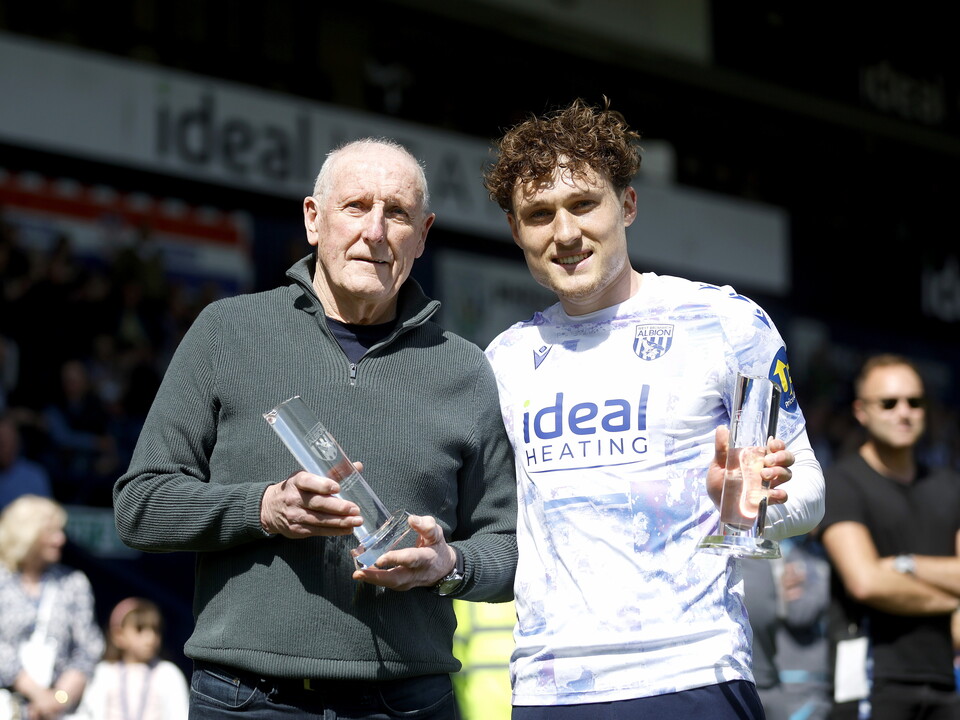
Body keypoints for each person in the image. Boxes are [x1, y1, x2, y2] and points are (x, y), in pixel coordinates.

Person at [113, 138, 518, 719]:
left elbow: (509, 549)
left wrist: (449, 566)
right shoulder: (228, 332)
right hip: (246, 700)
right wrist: (265, 509)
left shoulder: (465, 368)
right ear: (313, 218)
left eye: (397, 213)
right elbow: (140, 505)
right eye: (356, 206)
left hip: (408, 701)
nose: (376, 231)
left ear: (423, 235)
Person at [481, 98, 825, 718]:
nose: (564, 234)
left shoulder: (728, 324)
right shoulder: (504, 360)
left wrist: (748, 507)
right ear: (516, 230)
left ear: (628, 206)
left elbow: (809, 492)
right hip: (549, 688)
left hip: (694, 673)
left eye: (584, 204)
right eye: (539, 214)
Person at [819, 354, 960, 720]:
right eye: (889, 403)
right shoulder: (840, 482)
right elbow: (865, 582)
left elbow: (881, 577)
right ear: (861, 411)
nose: (904, 412)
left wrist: (904, 565)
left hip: (945, 681)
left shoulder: (949, 486)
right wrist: (952, 603)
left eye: (914, 402)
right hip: (870, 681)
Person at [0, 494, 104, 719]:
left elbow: (89, 647)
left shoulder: (73, 582)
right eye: (51, 532)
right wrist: (36, 694)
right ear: (26, 534)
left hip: (59, 711)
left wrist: (57, 699)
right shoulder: (2, 581)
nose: (60, 539)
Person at [75, 597, 189, 720]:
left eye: (155, 630)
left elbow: (181, 714)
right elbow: (88, 713)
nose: (150, 638)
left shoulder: (168, 673)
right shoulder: (104, 672)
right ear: (118, 635)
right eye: (139, 629)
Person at [0, 412, 52, 511]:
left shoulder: (35, 476)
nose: (4, 448)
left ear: (17, 443)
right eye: (1, 443)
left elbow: (45, 515)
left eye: (8, 442)